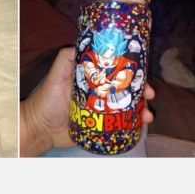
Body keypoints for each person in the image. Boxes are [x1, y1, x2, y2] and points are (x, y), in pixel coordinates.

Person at [20, 47, 155, 156]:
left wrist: (112, 87)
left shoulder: (125, 64)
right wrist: (94, 76)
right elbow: (87, 66)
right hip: (89, 110)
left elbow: (125, 76)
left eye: (110, 57)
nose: (105, 61)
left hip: (116, 109)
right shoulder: (90, 60)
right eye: (102, 57)